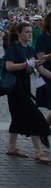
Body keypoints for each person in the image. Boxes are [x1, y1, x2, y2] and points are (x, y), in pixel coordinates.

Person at [3, 21, 51, 162]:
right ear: (19, 33)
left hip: (25, 87)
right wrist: (25, 64)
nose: (30, 34)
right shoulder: (13, 48)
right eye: (27, 32)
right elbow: (9, 66)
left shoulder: (30, 49)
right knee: (34, 117)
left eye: (30, 31)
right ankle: (39, 152)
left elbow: (40, 69)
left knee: (17, 119)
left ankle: (11, 148)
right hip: (15, 89)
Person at [35, 13, 51, 148]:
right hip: (48, 74)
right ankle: (43, 130)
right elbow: (41, 58)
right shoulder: (42, 38)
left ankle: (43, 130)